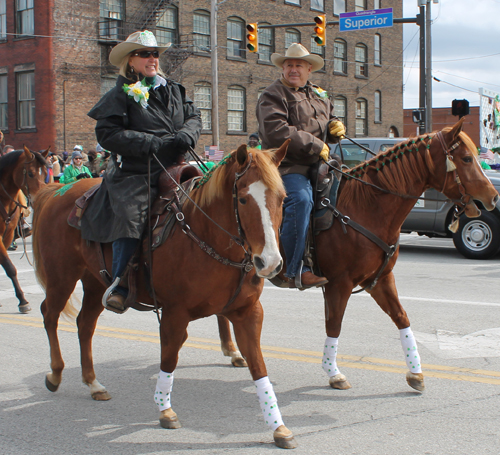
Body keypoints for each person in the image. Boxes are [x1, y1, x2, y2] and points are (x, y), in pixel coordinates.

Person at [81, 30, 202, 313]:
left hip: (177, 164)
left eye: (155, 53)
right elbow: (106, 134)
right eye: (145, 54)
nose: (152, 58)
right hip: (137, 171)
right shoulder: (119, 94)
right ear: (130, 60)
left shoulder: (172, 88)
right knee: (132, 216)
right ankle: (121, 283)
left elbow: (194, 116)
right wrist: (146, 141)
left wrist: (188, 133)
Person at [256, 43, 345, 290]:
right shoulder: (273, 95)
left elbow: (328, 118)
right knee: (301, 199)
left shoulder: (318, 93)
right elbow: (277, 131)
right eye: (289, 65)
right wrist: (316, 145)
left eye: (299, 65)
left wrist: (336, 126)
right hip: (287, 166)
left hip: (321, 164)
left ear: (309, 69)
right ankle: (294, 270)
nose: (293, 69)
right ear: (283, 68)